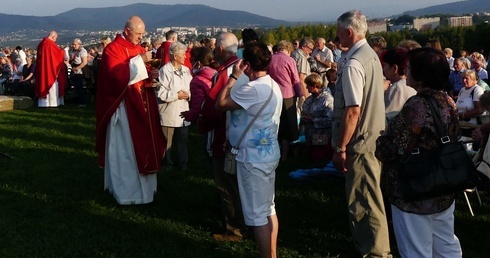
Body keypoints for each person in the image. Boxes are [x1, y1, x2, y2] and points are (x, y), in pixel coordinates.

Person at [375, 47, 463, 258]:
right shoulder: (447, 100)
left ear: (421, 75)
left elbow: (396, 149)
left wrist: (381, 140)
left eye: (410, 67)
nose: (407, 70)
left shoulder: (417, 106)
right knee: (445, 243)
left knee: (415, 249)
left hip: (415, 190)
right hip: (442, 184)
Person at [331, 10, 391, 257]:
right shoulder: (370, 56)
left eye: (338, 32)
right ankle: (368, 246)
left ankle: (376, 252)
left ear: (348, 32)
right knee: (367, 195)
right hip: (373, 134)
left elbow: (353, 111)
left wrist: (340, 147)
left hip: (361, 140)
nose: (336, 37)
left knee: (364, 198)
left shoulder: (355, 63)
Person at [216, 41, 282, 258]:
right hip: (267, 152)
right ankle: (272, 253)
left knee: (257, 215)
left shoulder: (253, 89)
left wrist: (234, 77)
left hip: (253, 158)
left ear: (247, 65)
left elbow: (221, 104)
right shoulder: (272, 84)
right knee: (268, 208)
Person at [95, 16, 165, 205]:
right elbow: (114, 77)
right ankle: (127, 193)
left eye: (143, 34)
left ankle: (147, 191)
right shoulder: (113, 49)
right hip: (125, 108)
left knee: (146, 145)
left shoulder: (140, 48)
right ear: (127, 31)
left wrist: (152, 74)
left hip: (144, 106)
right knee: (126, 150)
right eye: (138, 33)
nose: (141, 38)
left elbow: (143, 74)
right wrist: (139, 61)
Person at [201, 32, 248, 241]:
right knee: (240, 182)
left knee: (225, 182)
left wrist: (202, 120)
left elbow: (214, 106)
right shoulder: (244, 66)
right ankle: (247, 221)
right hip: (244, 133)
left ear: (220, 49)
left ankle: (234, 228)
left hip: (224, 133)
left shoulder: (225, 72)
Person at [156, 42, 192, 171]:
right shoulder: (164, 71)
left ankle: (183, 163)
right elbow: (160, 93)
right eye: (183, 54)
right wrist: (176, 95)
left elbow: (191, 88)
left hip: (183, 111)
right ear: (175, 56)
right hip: (169, 112)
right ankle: (168, 164)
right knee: (167, 140)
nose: (185, 57)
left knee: (183, 139)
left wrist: (188, 95)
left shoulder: (186, 71)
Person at [268, 40, 303, 161]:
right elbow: (295, 79)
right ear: (288, 50)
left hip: (272, 94)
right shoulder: (290, 60)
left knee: (276, 122)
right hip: (288, 95)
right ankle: (286, 155)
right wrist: (300, 95)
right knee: (289, 125)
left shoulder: (270, 59)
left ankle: (275, 153)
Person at [300, 73, 334, 163]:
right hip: (309, 134)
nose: (306, 87)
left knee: (320, 158)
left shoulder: (327, 99)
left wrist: (313, 120)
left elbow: (330, 120)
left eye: (308, 85)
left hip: (322, 135)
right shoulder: (310, 99)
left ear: (314, 85)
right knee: (309, 158)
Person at [381, 49, 417, 120]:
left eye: (385, 65)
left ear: (394, 68)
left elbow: (387, 118)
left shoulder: (397, 88)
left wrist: (380, 92)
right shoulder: (410, 84)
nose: (383, 69)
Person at [35, 31, 67, 107]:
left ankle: (42, 104)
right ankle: (52, 103)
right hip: (50, 69)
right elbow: (58, 54)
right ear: (53, 36)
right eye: (55, 38)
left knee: (43, 83)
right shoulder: (50, 44)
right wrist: (64, 51)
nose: (55, 40)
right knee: (51, 84)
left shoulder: (41, 43)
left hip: (43, 68)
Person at [69, 38, 89, 107]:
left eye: (75, 44)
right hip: (74, 68)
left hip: (80, 71)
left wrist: (77, 68)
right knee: (76, 86)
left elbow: (84, 62)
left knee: (79, 86)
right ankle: (78, 99)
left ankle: (83, 101)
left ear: (79, 44)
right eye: (73, 44)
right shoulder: (73, 51)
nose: (73, 46)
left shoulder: (83, 51)